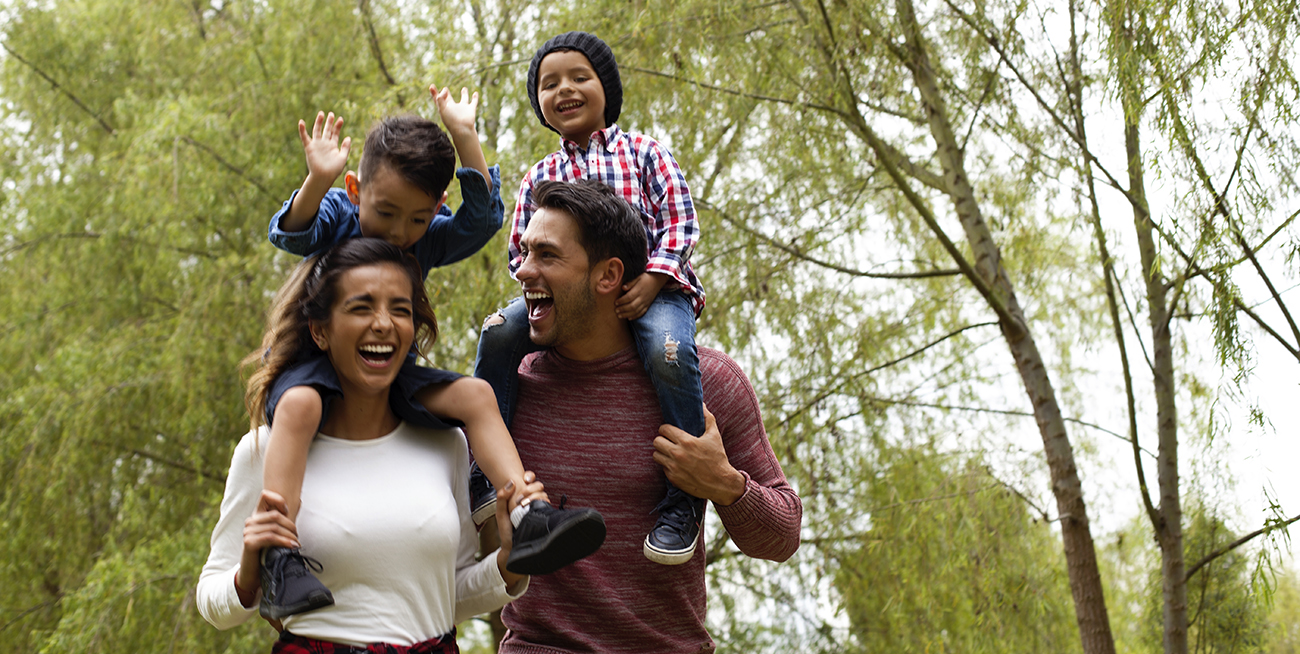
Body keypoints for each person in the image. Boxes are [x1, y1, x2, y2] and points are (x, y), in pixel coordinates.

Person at [258, 91, 603, 619]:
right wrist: (318, 180)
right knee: (300, 406)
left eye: (417, 219)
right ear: (357, 191)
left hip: (391, 371)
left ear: (436, 208)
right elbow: (291, 232)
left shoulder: (425, 239)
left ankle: (529, 513)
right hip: (315, 366)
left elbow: (482, 221)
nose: (398, 233)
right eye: (387, 212)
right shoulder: (340, 213)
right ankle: (280, 558)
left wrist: (465, 137)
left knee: (476, 393)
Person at [497, 180, 802, 653]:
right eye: (525, 252)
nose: (523, 271)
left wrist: (723, 483)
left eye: (547, 255)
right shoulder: (508, 388)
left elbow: (782, 536)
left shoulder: (709, 383)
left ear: (608, 275)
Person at [197, 238, 543, 651]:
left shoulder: (446, 442)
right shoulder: (267, 449)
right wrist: (247, 574)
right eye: (361, 307)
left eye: (400, 309)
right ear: (320, 331)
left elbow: (447, 594)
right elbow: (211, 601)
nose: (383, 323)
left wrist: (508, 564)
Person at [475, 30, 710, 566]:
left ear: (607, 87)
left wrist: (651, 278)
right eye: (549, 83)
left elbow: (680, 224)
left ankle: (684, 496)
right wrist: (539, 281)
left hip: (654, 290)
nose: (565, 90)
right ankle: (484, 470)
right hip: (568, 295)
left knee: (667, 352)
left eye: (579, 77)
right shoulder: (541, 175)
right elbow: (520, 253)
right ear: (538, 102)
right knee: (498, 331)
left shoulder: (644, 153)